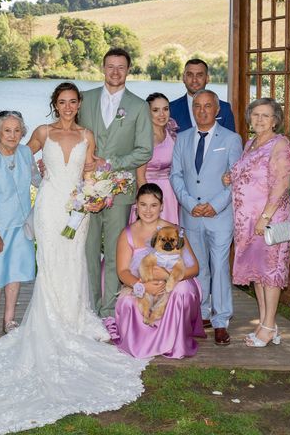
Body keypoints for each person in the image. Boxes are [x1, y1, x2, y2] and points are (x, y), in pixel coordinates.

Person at [0, 82, 147, 435]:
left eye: (72, 101)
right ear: (55, 105)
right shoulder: (39, 133)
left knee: (75, 263)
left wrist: (97, 192)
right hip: (50, 208)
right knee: (49, 264)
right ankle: (36, 318)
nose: (67, 106)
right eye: (61, 102)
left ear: (78, 104)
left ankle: (73, 318)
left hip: (75, 209)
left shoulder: (87, 134)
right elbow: (20, 155)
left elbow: (83, 170)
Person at [78, 48, 154, 317]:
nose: (115, 72)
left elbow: (145, 150)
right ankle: (88, 308)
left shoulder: (138, 106)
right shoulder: (84, 100)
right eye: (110, 66)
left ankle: (108, 311)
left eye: (121, 67)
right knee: (87, 252)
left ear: (128, 70)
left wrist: (110, 163)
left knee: (114, 252)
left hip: (121, 191)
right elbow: (67, 134)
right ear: (102, 67)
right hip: (86, 189)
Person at [170, 89, 242, 345]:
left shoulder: (232, 139)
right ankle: (201, 314)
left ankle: (221, 320)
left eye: (207, 106)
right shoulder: (182, 138)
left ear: (217, 109)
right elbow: (175, 175)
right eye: (197, 106)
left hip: (220, 215)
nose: (202, 110)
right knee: (198, 267)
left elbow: (236, 178)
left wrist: (216, 205)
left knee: (220, 267)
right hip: (191, 215)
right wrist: (189, 204)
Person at [105, 183, 205, 358]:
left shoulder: (174, 231)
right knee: (128, 303)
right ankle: (141, 344)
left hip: (175, 281)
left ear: (162, 206)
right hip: (142, 282)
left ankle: (175, 343)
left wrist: (167, 277)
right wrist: (143, 286)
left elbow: (195, 268)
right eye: (143, 204)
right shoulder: (127, 233)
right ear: (136, 206)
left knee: (183, 291)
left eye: (154, 205)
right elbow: (122, 272)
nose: (148, 210)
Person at [226, 98, 290, 347]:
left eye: (265, 115)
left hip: (271, 219)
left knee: (270, 274)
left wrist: (265, 217)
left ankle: (267, 327)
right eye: (255, 114)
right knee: (257, 273)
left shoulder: (281, 145)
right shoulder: (251, 143)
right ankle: (268, 324)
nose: (259, 119)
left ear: (275, 119)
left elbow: (281, 185)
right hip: (247, 221)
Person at [0, 111, 40, 340]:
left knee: (15, 274)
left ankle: (9, 319)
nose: (13, 135)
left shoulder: (25, 153)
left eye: (17, 130)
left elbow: (37, 181)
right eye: (7, 131)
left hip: (21, 227)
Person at [129, 93, 180, 224]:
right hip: (149, 192)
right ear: (148, 112)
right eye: (156, 110)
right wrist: (149, 203)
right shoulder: (145, 137)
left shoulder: (170, 131)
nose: (162, 114)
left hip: (169, 193)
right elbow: (140, 176)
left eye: (165, 109)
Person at [169, 58, 236, 133]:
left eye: (199, 75)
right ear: (184, 78)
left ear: (207, 79)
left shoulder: (224, 109)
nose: (194, 80)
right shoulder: (171, 109)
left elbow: (231, 140)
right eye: (190, 75)